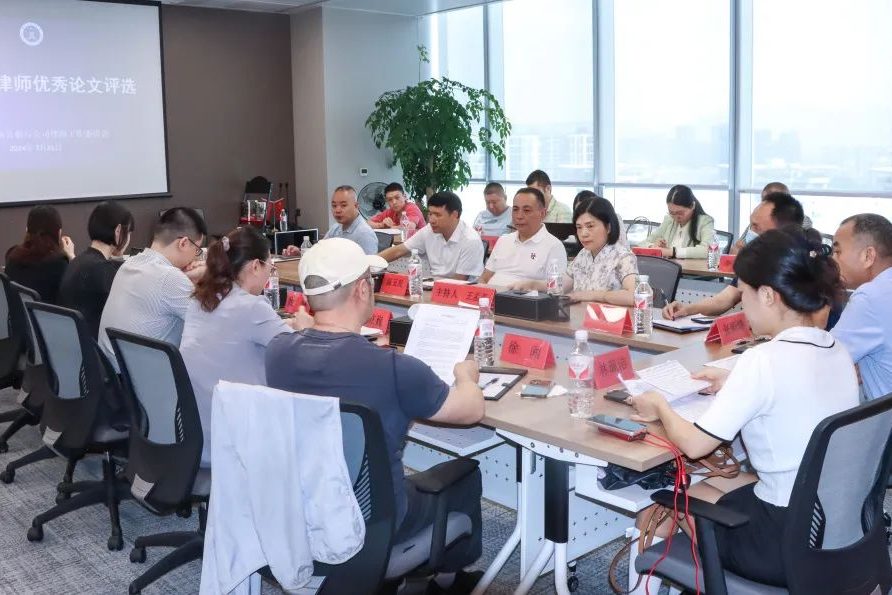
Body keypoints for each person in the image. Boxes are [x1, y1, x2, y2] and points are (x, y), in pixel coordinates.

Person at [630, 228, 858, 587]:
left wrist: (659, 404)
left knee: (655, 513)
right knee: (703, 488)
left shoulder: (762, 360)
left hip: (780, 543)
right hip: (834, 522)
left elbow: (695, 445)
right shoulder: (836, 349)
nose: (742, 305)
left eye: (744, 294)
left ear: (767, 295)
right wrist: (733, 380)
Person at [265, 237, 484, 589]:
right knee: (464, 475)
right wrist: (466, 375)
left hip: (302, 509)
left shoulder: (277, 352)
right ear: (362, 289)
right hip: (374, 521)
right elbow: (470, 410)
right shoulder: (393, 368)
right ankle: (448, 581)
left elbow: (318, 352)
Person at [180, 227, 312, 466]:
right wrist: (304, 329)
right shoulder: (253, 308)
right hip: (237, 440)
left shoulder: (201, 299)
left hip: (198, 432)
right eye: (270, 266)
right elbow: (302, 354)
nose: (269, 273)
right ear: (255, 266)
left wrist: (284, 324)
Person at [662, 192, 804, 320]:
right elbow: (724, 299)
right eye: (750, 225)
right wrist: (687, 309)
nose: (750, 232)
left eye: (756, 226)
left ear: (781, 232)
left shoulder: (802, 269)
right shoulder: (755, 262)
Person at [98, 207, 207, 363]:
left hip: (113, 371)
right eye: (197, 250)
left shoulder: (129, 264)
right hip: (146, 374)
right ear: (183, 243)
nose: (196, 257)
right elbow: (211, 322)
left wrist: (187, 280)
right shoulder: (170, 278)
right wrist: (208, 276)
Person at [511, 195, 637, 306]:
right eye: (579, 227)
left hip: (609, 321)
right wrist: (532, 285)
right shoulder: (583, 254)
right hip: (579, 319)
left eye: (590, 226)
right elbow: (561, 285)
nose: (583, 233)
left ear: (608, 227)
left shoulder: (623, 257)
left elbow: (634, 296)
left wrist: (593, 295)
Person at [830, 214, 892, 401]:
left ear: (868, 256)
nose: (833, 260)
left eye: (838, 252)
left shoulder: (870, 297)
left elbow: (823, 361)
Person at [58, 202, 134, 338]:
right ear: (118, 231)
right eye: (128, 233)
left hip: (74, 342)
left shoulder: (78, 261)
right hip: (96, 345)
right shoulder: (102, 270)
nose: (128, 239)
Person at [379, 191, 484, 280]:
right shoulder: (429, 230)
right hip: (434, 286)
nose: (431, 220)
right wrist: (371, 262)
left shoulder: (470, 240)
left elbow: (459, 281)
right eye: (430, 214)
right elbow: (398, 250)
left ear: (454, 215)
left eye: (438, 215)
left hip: (459, 291)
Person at [478, 187, 568, 286]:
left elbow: (556, 287)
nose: (519, 216)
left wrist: (530, 287)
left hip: (524, 295)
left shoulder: (554, 246)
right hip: (491, 294)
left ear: (542, 214)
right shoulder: (503, 240)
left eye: (526, 210)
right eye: (515, 210)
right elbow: (485, 278)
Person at [5, 205, 75, 304]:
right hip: (48, 314)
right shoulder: (60, 264)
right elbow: (75, 294)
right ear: (59, 233)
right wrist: (71, 257)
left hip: (18, 314)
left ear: (27, 230)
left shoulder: (12, 256)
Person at [644, 185, 715, 259]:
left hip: (689, 266)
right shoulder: (669, 220)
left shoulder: (705, 221)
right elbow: (642, 244)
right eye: (671, 212)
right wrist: (653, 247)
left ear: (692, 206)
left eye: (680, 213)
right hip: (667, 265)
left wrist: (672, 252)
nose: (676, 217)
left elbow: (708, 250)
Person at [322, 185, 378, 255]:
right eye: (334, 206)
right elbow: (321, 250)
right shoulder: (335, 228)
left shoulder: (365, 234)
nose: (337, 210)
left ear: (356, 206)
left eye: (343, 205)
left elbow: (369, 261)